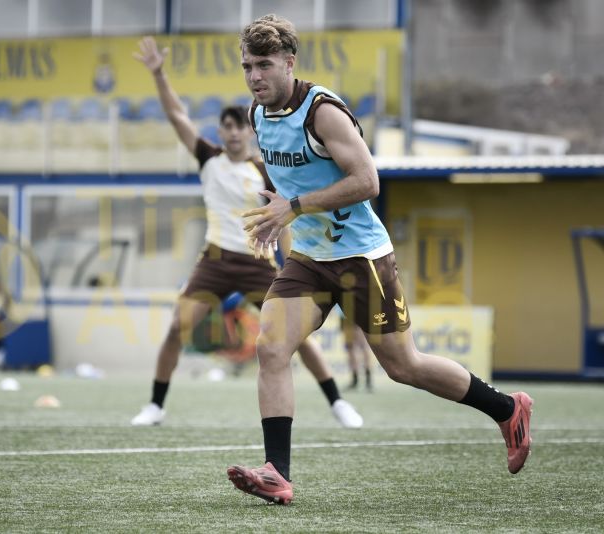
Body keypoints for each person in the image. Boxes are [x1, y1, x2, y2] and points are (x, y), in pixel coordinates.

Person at [226, 14, 533, 505]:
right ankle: (276, 473)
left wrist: (295, 207)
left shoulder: (322, 111)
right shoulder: (258, 116)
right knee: (271, 346)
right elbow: (294, 185)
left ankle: (507, 408)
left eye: (264, 64)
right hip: (309, 257)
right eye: (247, 66)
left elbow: (368, 182)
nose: (255, 76)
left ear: (289, 62)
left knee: (404, 366)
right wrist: (275, 212)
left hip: (361, 257)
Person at [129, 36, 362, 429]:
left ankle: (338, 403)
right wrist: (158, 74)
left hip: (259, 262)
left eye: (239, 128)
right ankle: (155, 405)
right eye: (226, 128)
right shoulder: (208, 160)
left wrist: (292, 259)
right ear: (220, 133)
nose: (233, 134)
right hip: (216, 260)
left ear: (249, 132)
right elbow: (177, 116)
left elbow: (283, 212)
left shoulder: (263, 168)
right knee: (175, 328)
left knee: (296, 338)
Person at [345, 322, 373, 392]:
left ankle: (358, 380)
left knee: (354, 347)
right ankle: (366, 380)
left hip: (348, 315)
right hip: (349, 315)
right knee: (360, 346)